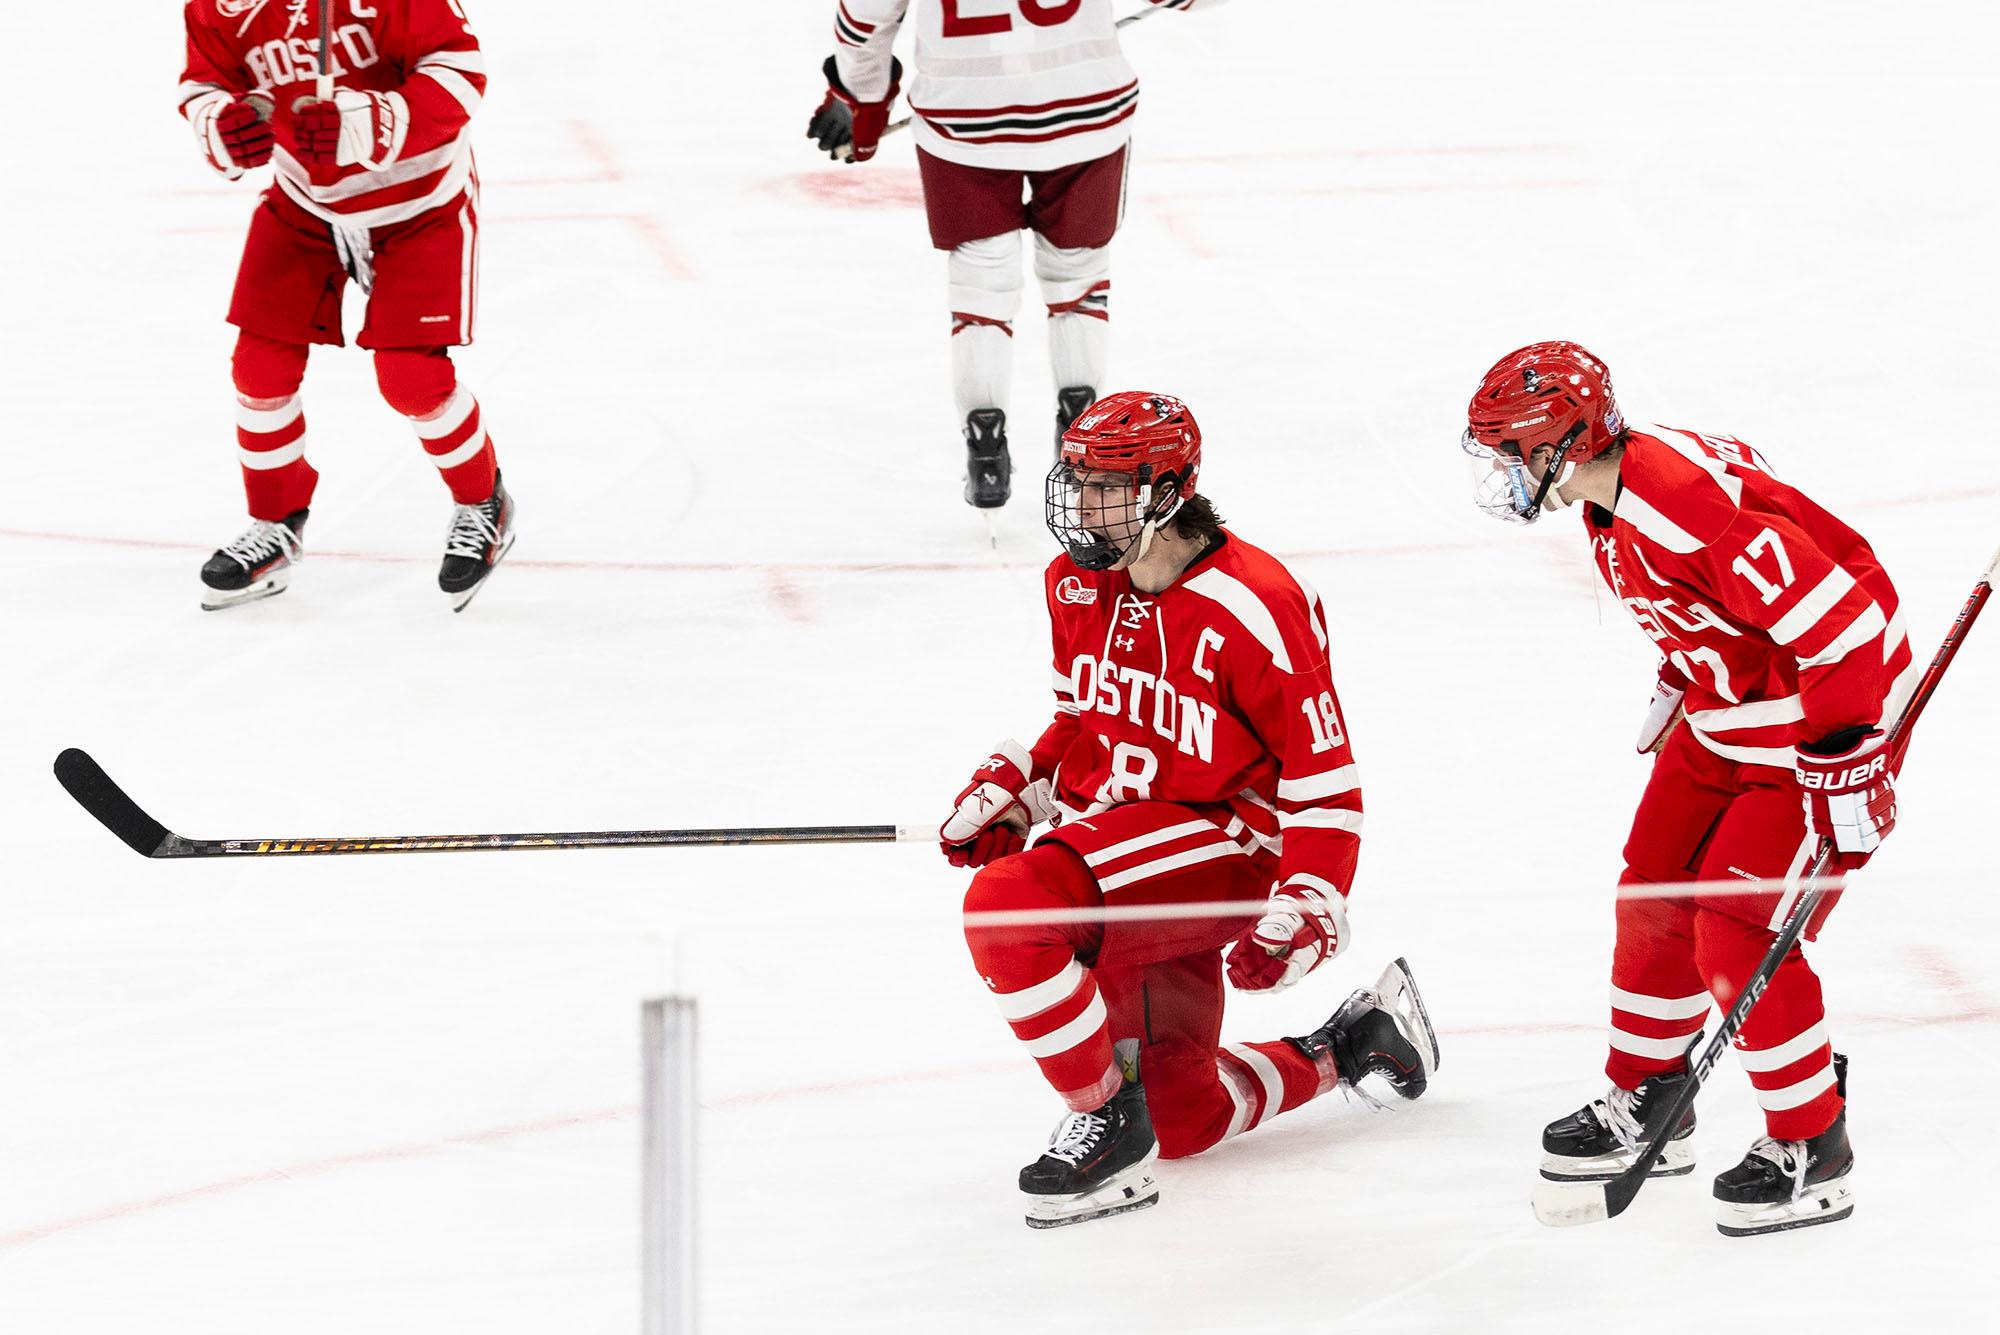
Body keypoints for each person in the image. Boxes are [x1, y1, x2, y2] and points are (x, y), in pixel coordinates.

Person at [940, 390, 1439, 1228]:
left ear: (1166, 492)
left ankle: (1104, 1120)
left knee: (1008, 910)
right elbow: (1081, 718)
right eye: (1078, 477)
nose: (1081, 499)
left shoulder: (1259, 604)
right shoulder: (1076, 582)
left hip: (1225, 845)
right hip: (1124, 849)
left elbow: (1323, 782)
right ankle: (1352, 1042)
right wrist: (1025, 781)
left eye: (1105, 483)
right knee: (1181, 1115)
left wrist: (1310, 899)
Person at [1461, 342, 1914, 1237]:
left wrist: (1847, 753)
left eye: (1514, 453)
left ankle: (1813, 1145)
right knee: (1651, 894)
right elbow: (1722, 598)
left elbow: (1848, 629)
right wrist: (1688, 663)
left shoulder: (1687, 512)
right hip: (1728, 705)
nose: (1504, 474)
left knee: (1734, 931)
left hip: (1812, 721)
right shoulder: (1608, 490)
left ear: (1565, 442)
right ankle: (1650, 1094)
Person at [806, 0, 1216, 512]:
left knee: (982, 282)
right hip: (1086, 111)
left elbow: (866, 22)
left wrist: (861, 104)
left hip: (965, 121)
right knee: (1078, 277)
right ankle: (1082, 428)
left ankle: (984, 439)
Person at [179, 0, 515, 612]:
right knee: (259, 368)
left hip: (422, 203)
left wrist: (374, 121)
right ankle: (276, 525)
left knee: (412, 379)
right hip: (305, 204)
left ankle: (481, 500)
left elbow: (462, 70)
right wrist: (222, 125)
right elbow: (207, 81)